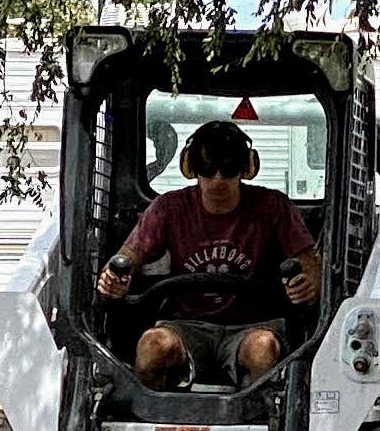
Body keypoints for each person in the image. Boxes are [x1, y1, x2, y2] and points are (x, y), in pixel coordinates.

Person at [100, 116, 321, 386]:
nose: (217, 179)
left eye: (228, 168)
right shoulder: (168, 208)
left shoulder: (273, 206)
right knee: (152, 347)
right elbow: (130, 255)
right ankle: (151, 422)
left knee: (263, 349)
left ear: (247, 168)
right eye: (207, 167)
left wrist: (308, 283)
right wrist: (116, 275)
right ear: (190, 167)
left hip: (254, 326)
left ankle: (267, 422)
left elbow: (309, 260)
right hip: (186, 325)